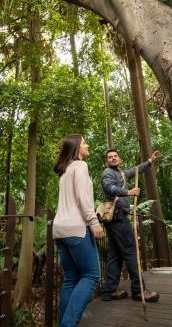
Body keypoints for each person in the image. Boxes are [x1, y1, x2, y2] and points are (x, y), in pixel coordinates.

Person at [52, 134, 105, 327]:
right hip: (77, 229)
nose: (87, 145)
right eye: (84, 143)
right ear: (75, 148)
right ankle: (67, 325)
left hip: (59, 230)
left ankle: (63, 324)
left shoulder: (65, 171)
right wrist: (94, 222)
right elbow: (84, 199)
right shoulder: (80, 166)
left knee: (71, 280)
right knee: (91, 276)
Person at [99, 148, 161, 303]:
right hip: (118, 219)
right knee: (130, 252)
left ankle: (108, 291)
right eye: (110, 157)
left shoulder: (120, 173)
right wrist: (128, 192)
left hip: (115, 221)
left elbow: (136, 170)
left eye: (115, 156)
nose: (113, 158)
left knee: (115, 255)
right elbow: (109, 188)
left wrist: (150, 161)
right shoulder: (107, 173)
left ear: (119, 159)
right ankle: (138, 290)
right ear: (107, 161)